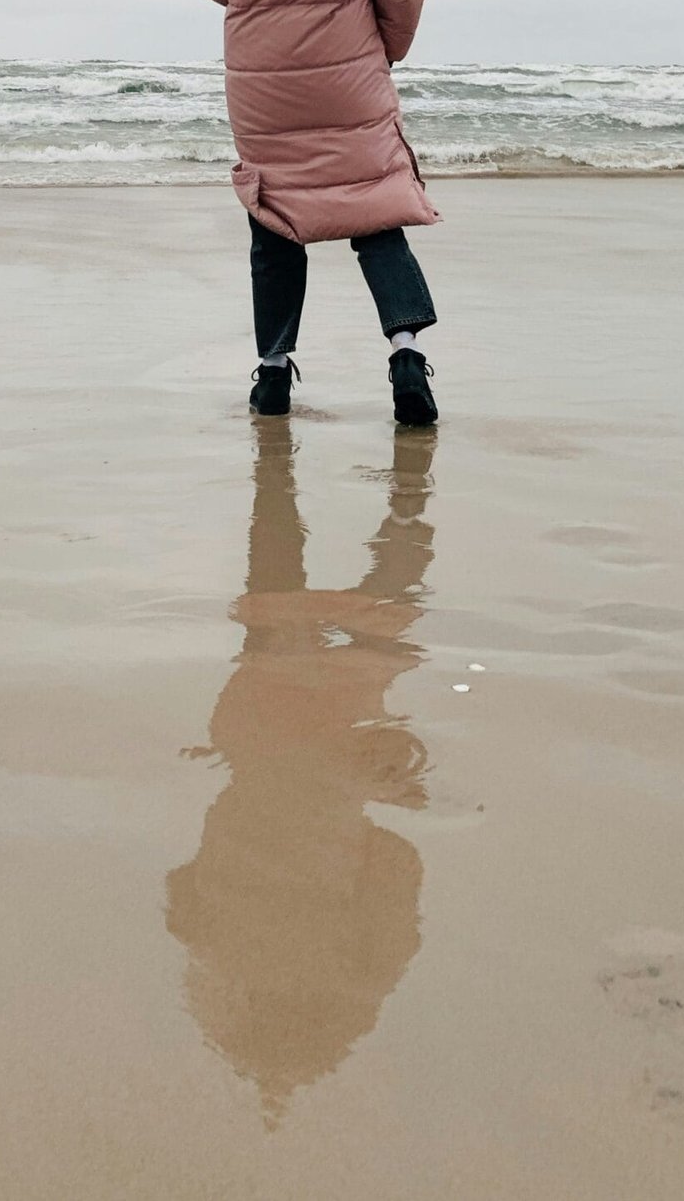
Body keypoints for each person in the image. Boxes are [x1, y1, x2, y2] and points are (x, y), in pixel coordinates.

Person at [164, 417, 436, 1119]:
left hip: (320, 743)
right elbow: (181, 889)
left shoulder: (348, 974)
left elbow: (398, 861)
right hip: (249, 728)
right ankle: (364, 513)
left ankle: (405, 511)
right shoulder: (217, 947)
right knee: (278, 602)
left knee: (384, 619)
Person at [186, 0, 440, 423]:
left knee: (275, 216)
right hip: (350, 76)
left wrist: (264, 7)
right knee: (376, 207)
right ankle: (407, 353)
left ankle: (272, 372)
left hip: (264, 83)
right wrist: (382, 48)